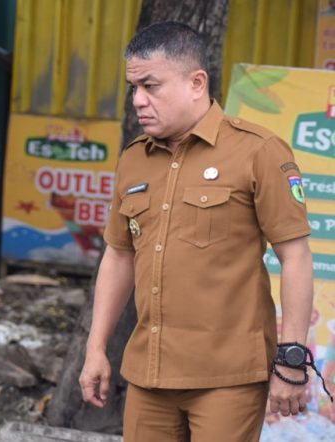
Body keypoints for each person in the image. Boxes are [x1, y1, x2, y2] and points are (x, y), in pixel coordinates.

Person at [78, 21, 325, 441]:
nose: (138, 100)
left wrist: (291, 359)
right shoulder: (135, 158)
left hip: (226, 378)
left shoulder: (257, 151)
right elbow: (119, 255)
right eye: (133, 87)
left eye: (151, 86)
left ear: (196, 83)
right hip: (148, 375)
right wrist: (95, 348)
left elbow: (296, 256)